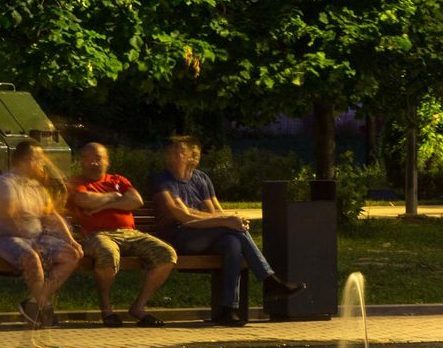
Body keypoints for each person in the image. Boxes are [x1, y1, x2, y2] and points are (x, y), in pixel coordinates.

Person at [147, 134, 306, 324]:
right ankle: (269, 281)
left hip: (205, 235)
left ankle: (229, 310)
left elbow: (216, 211)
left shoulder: (201, 179)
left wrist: (233, 221)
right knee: (233, 231)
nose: (173, 155)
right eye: (171, 151)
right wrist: (227, 221)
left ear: (192, 157)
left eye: (180, 152)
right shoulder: (162, 180)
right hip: (179, 238)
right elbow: (183, 215)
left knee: (233, 242)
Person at [66, 142, 177, 328]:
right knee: (108, 254)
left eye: (98, 158)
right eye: (89, 159)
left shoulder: (118, 180)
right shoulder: (76, 183)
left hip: (130, 234)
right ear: (81, 162)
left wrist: (104, 204)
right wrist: (116, 197)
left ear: (107, 161)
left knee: (167, 254)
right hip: (96, 235)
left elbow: (136, 200)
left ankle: (139, 307)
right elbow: (84, 200)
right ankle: (107, 310)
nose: (94, 163)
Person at [0, 140, 83, 327]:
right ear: (28, 160)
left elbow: (51, 215)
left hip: (32, 238)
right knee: (31, 257)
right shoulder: (5, 184)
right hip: (2, 238)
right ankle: (43, 311)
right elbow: (11, 215)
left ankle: (35, 303)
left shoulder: (35, 187)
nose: (43, 164)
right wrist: (35, 246)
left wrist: (71, 240)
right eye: (39, 159)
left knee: (72, 256)